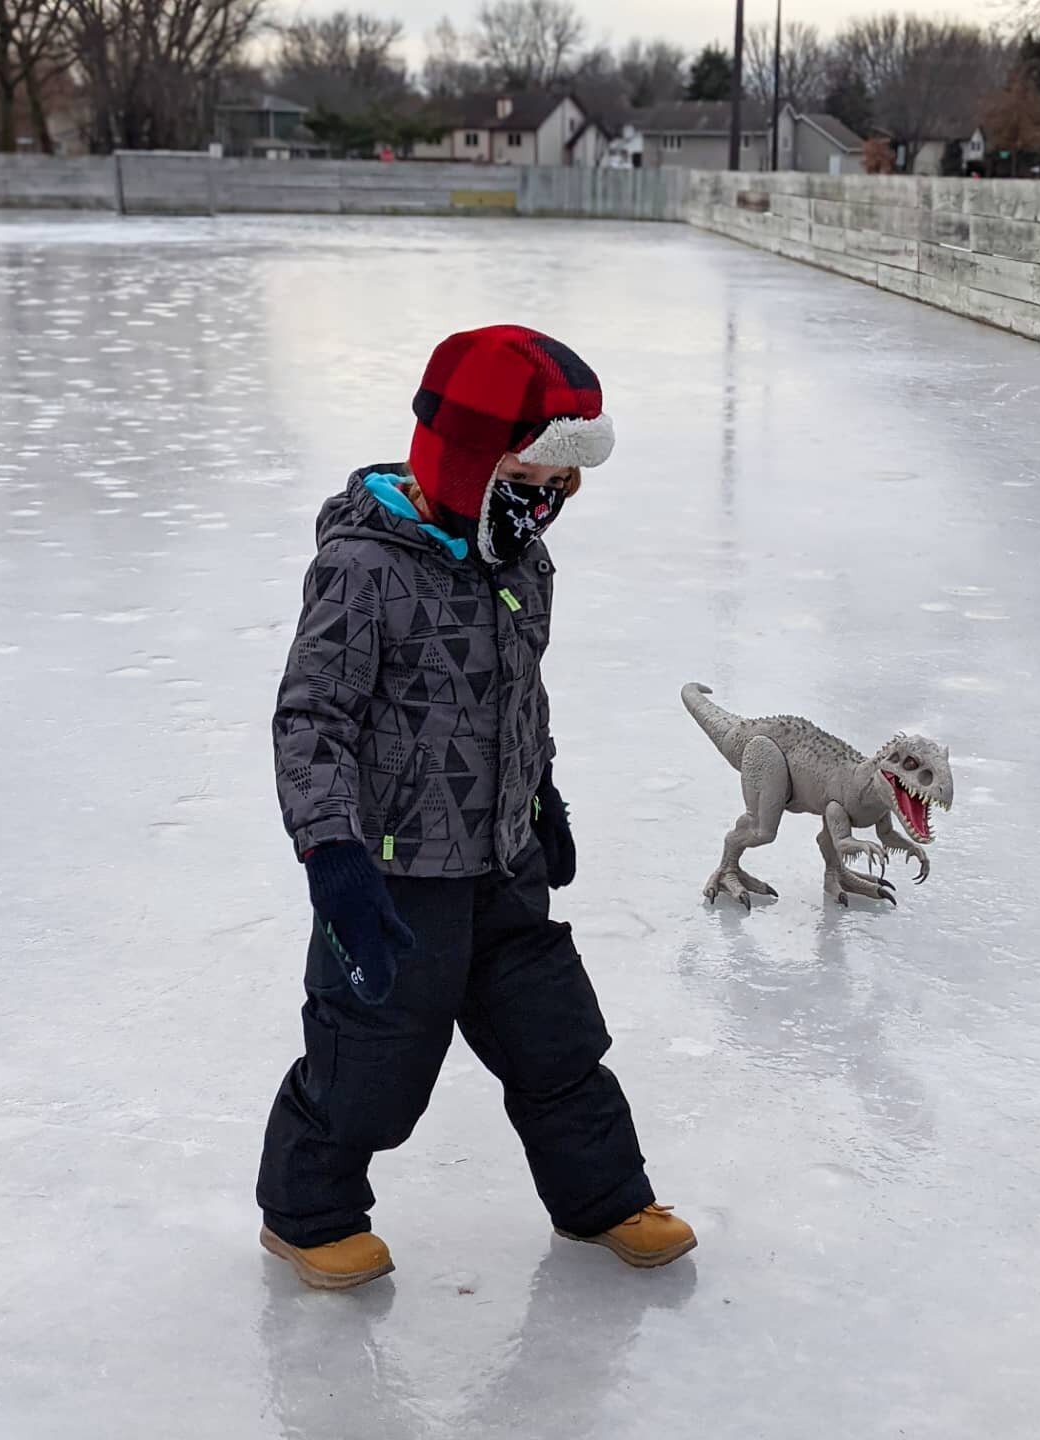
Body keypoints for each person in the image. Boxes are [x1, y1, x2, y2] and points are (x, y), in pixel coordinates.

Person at [256, 325, 695, 1290]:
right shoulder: (364, 568)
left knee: (558, 1039)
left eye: (566, 488)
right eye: (541, 480)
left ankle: (602, 1199)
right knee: (367, 1066)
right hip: (392, 873)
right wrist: (332, 857)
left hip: (500, 857)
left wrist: (541, 791)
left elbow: (513, 698)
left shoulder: (518, 560)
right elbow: (312, 718)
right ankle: (305, 1213)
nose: (556, 504)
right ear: (472, 464)